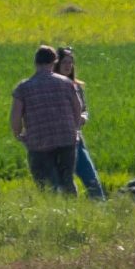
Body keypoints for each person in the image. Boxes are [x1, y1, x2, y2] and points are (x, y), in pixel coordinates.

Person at [10, 45, 82, 195]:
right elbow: (77, 108)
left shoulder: (23, 88)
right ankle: (72, 211)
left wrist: (18, 134)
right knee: (67, 180)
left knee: (46, 184)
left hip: (39, 142)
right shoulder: (67, 83)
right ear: (54, 62)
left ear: (36, 62)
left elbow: (16, 116)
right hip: (66, 139)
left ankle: (51, 210)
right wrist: (74, 129)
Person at [55, 48, 105, 200]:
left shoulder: (76, 86)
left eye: (71, 62)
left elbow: (84, 109)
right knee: (62, 181)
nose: (68, 66)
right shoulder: (51, 86)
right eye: (64, 62)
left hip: (75, 136)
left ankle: (100, 207)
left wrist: (83, 117)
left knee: (90, 177)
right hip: (57, 138)